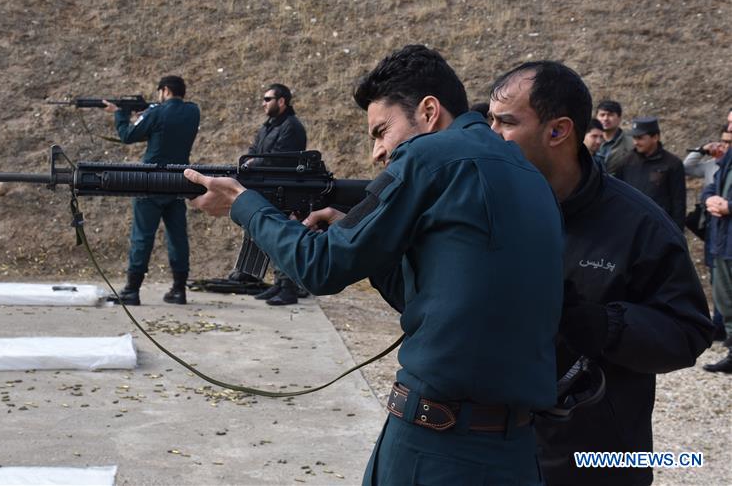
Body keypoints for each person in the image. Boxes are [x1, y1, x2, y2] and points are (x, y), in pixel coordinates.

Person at [185, 45, 565, 485]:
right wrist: (364, 234)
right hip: (514, 452)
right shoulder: (529, 175)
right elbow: (437, 299)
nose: (378, 153)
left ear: (428, 111)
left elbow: (320, 267)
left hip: (436, 444)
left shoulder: (429, 156)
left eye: (382, 131)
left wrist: (243, 204)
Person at [487, 61, 712, 485]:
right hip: (495, 454)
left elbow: (689, 332)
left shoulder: (640, 225)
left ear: (557, 131)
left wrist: (606, 326)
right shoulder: (483, 207)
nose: (491, 135)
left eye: (506, 123)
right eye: (489, 121)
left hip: (597, 461)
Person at [104, 75, 200, 306]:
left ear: (165, 90)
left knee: (142, 237)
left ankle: (132, 290)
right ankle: (179, 289)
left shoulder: (155, 113)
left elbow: (128, 135)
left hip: (152, 181)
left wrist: (120, 113)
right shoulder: (192, 111)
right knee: (177, 237)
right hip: (179, 181)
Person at [244, 83, 309, 306]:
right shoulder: (268, 126)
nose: (263, 103)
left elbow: (280, 158)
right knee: (269, 236)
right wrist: (250, 161)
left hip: (285, 188)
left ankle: (288, 288)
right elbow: (254, 151)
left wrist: (254, 162)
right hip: (268, 186)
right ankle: (280, 284)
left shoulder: (292, 127)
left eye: (268, 99)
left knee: (281, 236)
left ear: (281, 101)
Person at [684, 124, 732, 343]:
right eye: (724, 141)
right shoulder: (719, 165)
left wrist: (728, 206)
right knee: (721, 288)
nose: (725, 146)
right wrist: (709, 199)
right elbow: (690, 168)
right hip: (717, 234)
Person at [614, 117, 686, 230]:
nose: (635, 142)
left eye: (640, 138)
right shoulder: (625, 162)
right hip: (630, 226)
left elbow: (678, 202)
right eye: (634, 138)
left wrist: (677, 233)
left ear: (655, 137)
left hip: (660, 229)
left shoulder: (672, 163)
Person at [702, 108, 732, 373]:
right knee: (725, 300)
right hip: (724, 240)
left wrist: (730, 206)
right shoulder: (728, 156)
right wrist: (710, 199)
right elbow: (714, 183)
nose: (730, 129)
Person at [594, 99, 634, 174]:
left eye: (610, 115)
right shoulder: (587, 140)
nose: (605, 119)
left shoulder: (631, 143)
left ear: (619, 118)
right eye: (602, 115)